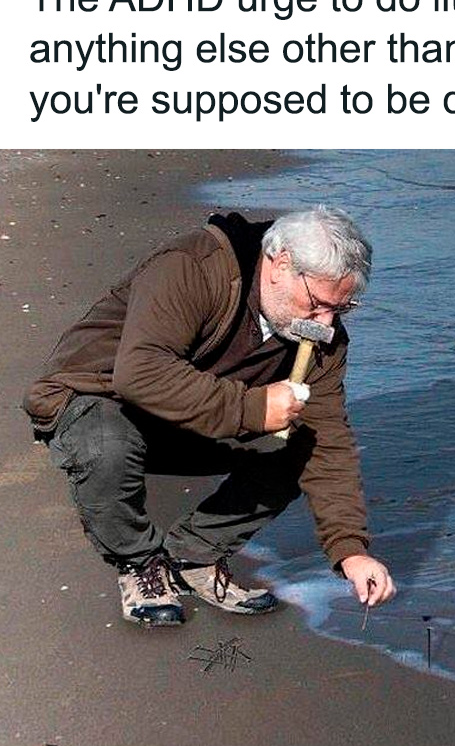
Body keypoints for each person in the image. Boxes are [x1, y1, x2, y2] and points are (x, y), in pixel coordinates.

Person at [24, 206, 395, 626]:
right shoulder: (193, 266)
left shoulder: (321, 335)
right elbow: (140, 373)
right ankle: (139, 563)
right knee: (105, 444)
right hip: (95, 396)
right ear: (280, 264)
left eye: (340, 310)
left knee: (301, 443)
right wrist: (254, 409)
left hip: (188, 418)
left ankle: (194, 556)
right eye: (317, 304)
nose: (325, 323)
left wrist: (351, 550)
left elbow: (328, 440)